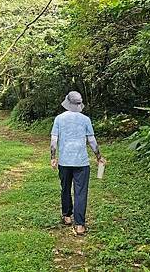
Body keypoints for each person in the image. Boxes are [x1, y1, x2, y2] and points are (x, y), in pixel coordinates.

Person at [50, 91, 105, 235]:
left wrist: (53, 157)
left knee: (65, 188)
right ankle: (80, 225)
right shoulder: (85, 119)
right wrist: (98, 156)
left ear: (67, 102)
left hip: (64, 161)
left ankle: (67, 216)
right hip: (81, 162)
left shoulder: (59, 119)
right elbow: (91, 141)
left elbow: (54, 140)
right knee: (81, 192)